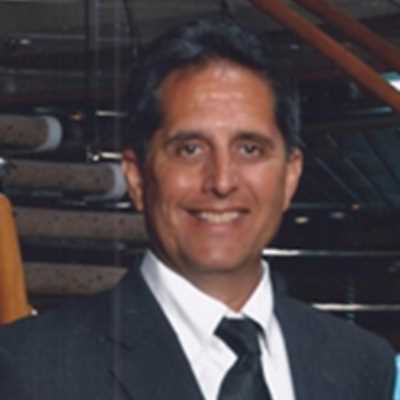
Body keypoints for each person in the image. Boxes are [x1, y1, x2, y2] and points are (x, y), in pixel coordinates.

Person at [0, 15, 396, 400]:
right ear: (137, 177)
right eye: (189, 149)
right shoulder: (28, 369)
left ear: (290, 176)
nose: (222, 181)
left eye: (249, 149)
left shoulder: (362, 366)